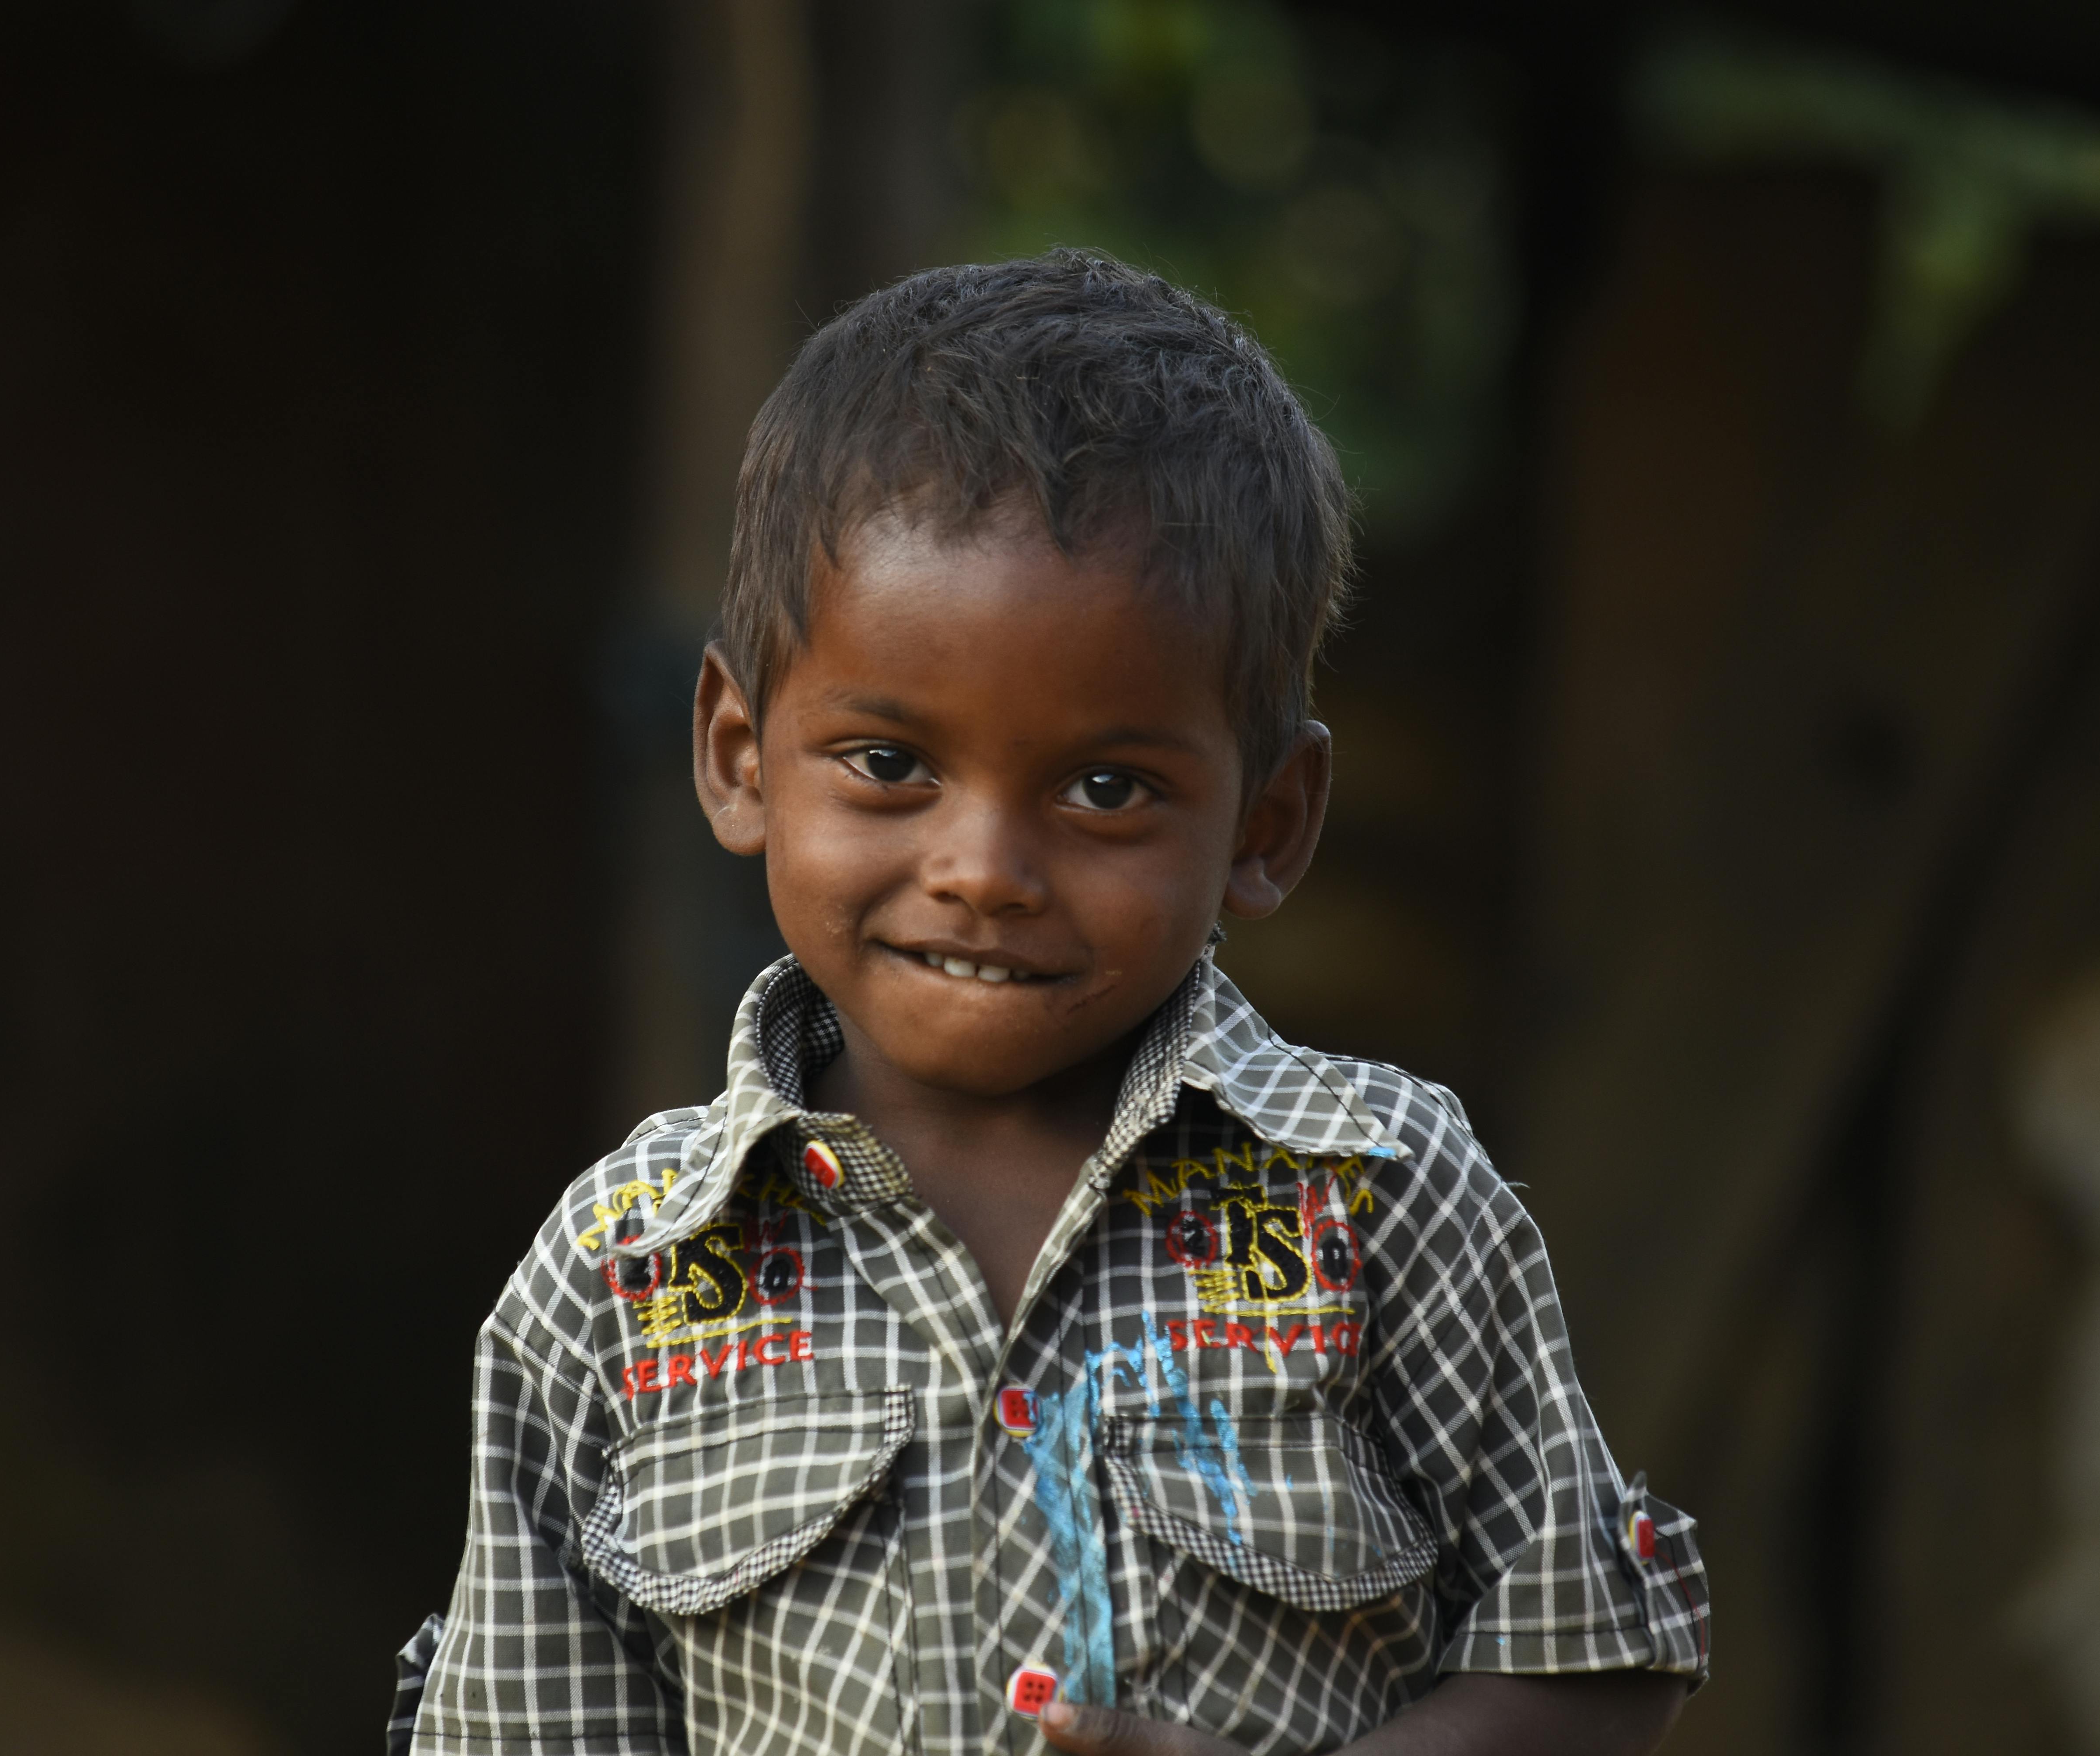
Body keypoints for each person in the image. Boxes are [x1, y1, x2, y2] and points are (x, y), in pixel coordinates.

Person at [391, 249, 1708, 1756]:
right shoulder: (626, 1275)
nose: (985, 871)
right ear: (740, 757)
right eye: (890, 765)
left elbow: (1593, 1658)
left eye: (1106, 789)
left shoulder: (1379, 1203)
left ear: (1269, 823)